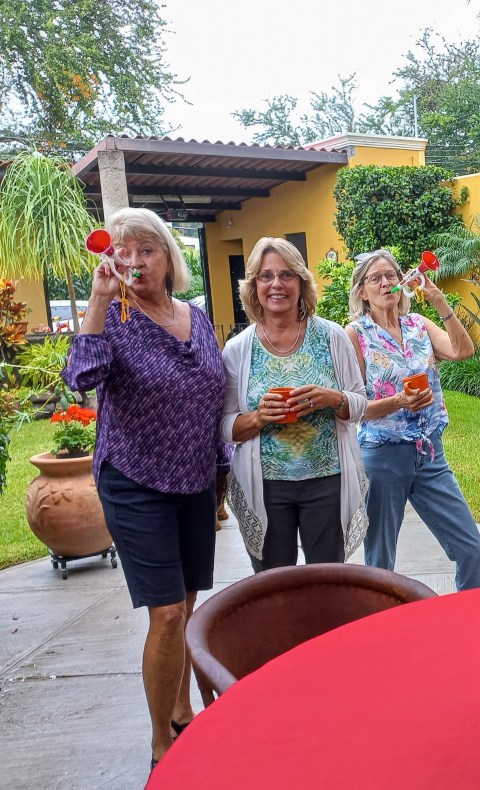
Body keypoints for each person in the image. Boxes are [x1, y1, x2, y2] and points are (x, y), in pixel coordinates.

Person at [62, 207, 229, 770]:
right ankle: (162, 745)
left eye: (146, 250)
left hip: (194, 480)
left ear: (167, 257)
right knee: (167, 612)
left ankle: (182, 710)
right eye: (122, 251)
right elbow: (81, 379)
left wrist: (220, 474)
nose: (134, 261)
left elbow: (212, 400)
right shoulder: (113, 317)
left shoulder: (196, 317)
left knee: (186, 602)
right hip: (134, 480)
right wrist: (98, 301)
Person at [220, 238, 369, 573]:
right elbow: (225, 427)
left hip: (327, 481)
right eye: (266, 276)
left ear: (301, 283)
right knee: (274, 586)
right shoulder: (238, 349)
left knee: (326, 581)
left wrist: (334, 398)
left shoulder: (332, 336)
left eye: (287, 275)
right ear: (254, 286)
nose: (276, 284)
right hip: (266, 487)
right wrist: (259, 417)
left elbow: (360, 403)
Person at [345, 249, 480, 591]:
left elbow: (463, 351)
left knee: (472, 549)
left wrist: (438, 300)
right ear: (362, 291)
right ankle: (382, 622)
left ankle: (469, 618)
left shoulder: (418, 325)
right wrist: (398, 402)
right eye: (375, 278)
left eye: (391, 275)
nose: (385, 283)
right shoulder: (355, 334)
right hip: (383, 457)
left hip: (429, 454)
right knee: (380, 561)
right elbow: (353, 407)